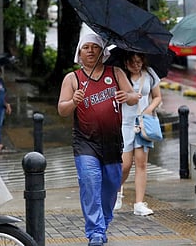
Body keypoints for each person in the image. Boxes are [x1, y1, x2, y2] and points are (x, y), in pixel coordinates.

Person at [57, 34, 139, 246]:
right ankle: (95, 231)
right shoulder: (72, 79)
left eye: (95, 47)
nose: (91, 51)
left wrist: (126, 97)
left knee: (112, 184)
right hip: (85, 142)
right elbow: (62, 110)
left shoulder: (116, 72)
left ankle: (103, 220)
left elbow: (133, 97)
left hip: (112, 141)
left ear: (104, 53)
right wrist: (73, 101)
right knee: (90, 183)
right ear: (79, 53)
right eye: (86, 48)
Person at [114, 52, 162, 216]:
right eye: (133, 62)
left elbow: (157, 97)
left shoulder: (149, 74)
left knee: (141, 163)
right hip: (125, 124)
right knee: (124, 164)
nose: (136, 65)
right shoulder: (119, 75)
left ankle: (139, 203)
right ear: (126, 62)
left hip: (143, 124)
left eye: (139, 62)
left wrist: (148, 109)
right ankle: (115, 193)